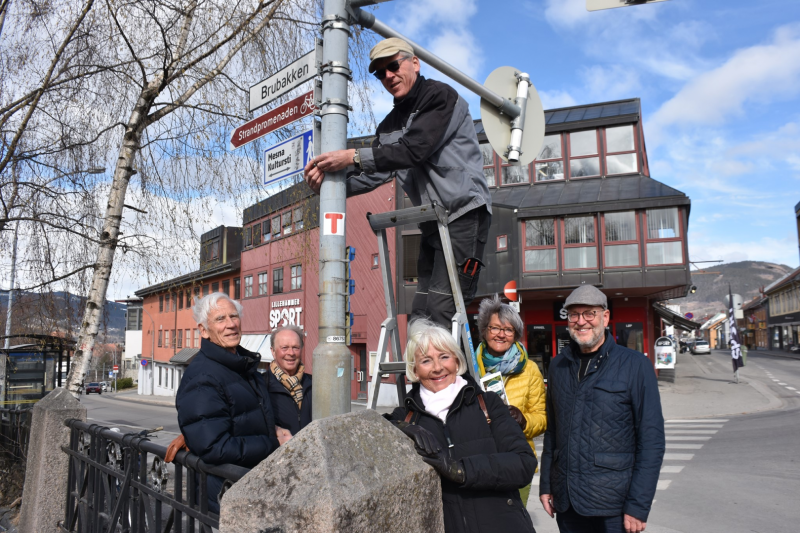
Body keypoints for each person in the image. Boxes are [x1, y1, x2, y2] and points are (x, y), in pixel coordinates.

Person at [303, 37, 491, 330]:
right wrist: (328, 186)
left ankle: (461, 378)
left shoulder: (440, 97)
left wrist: (352, 155)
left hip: (464, 215)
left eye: (393, 66)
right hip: (431, 223)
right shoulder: (389, 124)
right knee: (420, 313)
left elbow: (414, 149)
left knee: (443, 311)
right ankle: (419, 377)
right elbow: (376, 172)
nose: (388, 76)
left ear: (414, 63)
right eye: (380, 73)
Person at [388, 319, 537, 533]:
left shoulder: (487, 404)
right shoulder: (407, 417)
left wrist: (460, 470)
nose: (438, 367)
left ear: (457, 361)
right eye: (426, 361)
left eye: (444, 357)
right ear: (414, 370)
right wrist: (401, 427)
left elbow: (523, 464)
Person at [538, 285, 665, 533]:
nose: (581, 321)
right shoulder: (557, 366)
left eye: (589, 314)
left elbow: (651, 441)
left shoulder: (636, 365)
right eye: (574, 314)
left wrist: (638, 505)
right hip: (568, 503)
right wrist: (546, 485)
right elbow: (553, 433)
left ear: (605, 318)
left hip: (614, 507)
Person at [176, 293, 279, 513]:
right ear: (204, 330)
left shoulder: (242, 367)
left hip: (249, 488)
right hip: (224, 498)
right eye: (220, 319)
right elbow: (214, 447)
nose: (231, 324)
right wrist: (272, 444)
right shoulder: (203, 376)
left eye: (234, 316)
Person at [475, 294, 546, 506]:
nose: (500, 335)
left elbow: (542, 419)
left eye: (508, 330)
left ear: (515, 335)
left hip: (516, 461)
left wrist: (524, 421)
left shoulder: (530, 369)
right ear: (484, 331)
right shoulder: (468, 366)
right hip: (479, 460)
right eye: (495, 328)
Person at [266, 324, 312, 443]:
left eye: (295, 347)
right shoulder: (260, 386)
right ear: (273, 351)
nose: (291, 353)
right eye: (284, 348)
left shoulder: (314, 384)